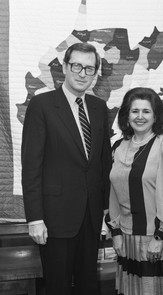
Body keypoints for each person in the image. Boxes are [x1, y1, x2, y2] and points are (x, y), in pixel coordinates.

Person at [21, 42, 111, 295]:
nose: (83, 73)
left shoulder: (98, 107)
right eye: (77, 66)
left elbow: (103, 164)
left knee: (88, 286)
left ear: (96, 73)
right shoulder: (42, 105)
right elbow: (31, 167)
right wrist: (35, 219)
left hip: (91, 217)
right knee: (58, 287)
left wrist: (105, 210)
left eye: (90, 69)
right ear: (64, 67)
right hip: (54, 219)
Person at [105, 87, 163, 295]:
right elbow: (111, 193)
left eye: (146, 111)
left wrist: (159, 237)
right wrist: (115, 233)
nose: (140, 117)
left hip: (158, 238)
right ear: (126, 115)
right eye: (134, 111)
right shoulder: (117, 146)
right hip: (127, 238)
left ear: (156, 116)